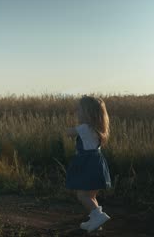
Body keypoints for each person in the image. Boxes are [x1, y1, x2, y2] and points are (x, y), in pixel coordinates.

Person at [65, 96, 112, 233]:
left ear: (87, 112)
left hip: (88, 165)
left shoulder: (84, 128)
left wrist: (64, 129)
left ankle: (98, 217)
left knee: (82, 195)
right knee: (91, 196)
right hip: (97, 164)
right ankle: (96, 222)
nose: (77, 112)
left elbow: (69, 133)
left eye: (79, 109)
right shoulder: (97, 129)